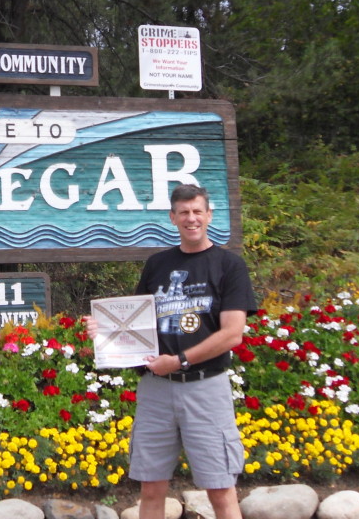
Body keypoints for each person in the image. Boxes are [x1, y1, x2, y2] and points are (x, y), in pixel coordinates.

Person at [91, 183, 257, 519]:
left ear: (209, 215)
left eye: (197, 211)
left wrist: (179, 360)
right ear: (172, 217)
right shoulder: (157, 264)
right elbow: (137, 323)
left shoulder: (229, 265)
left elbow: (232, 334)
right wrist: (104, 330)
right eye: (184, 212)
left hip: (206, 387)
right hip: (156, 390)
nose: (191, 218)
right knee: (151, 488)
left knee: (221, 489)